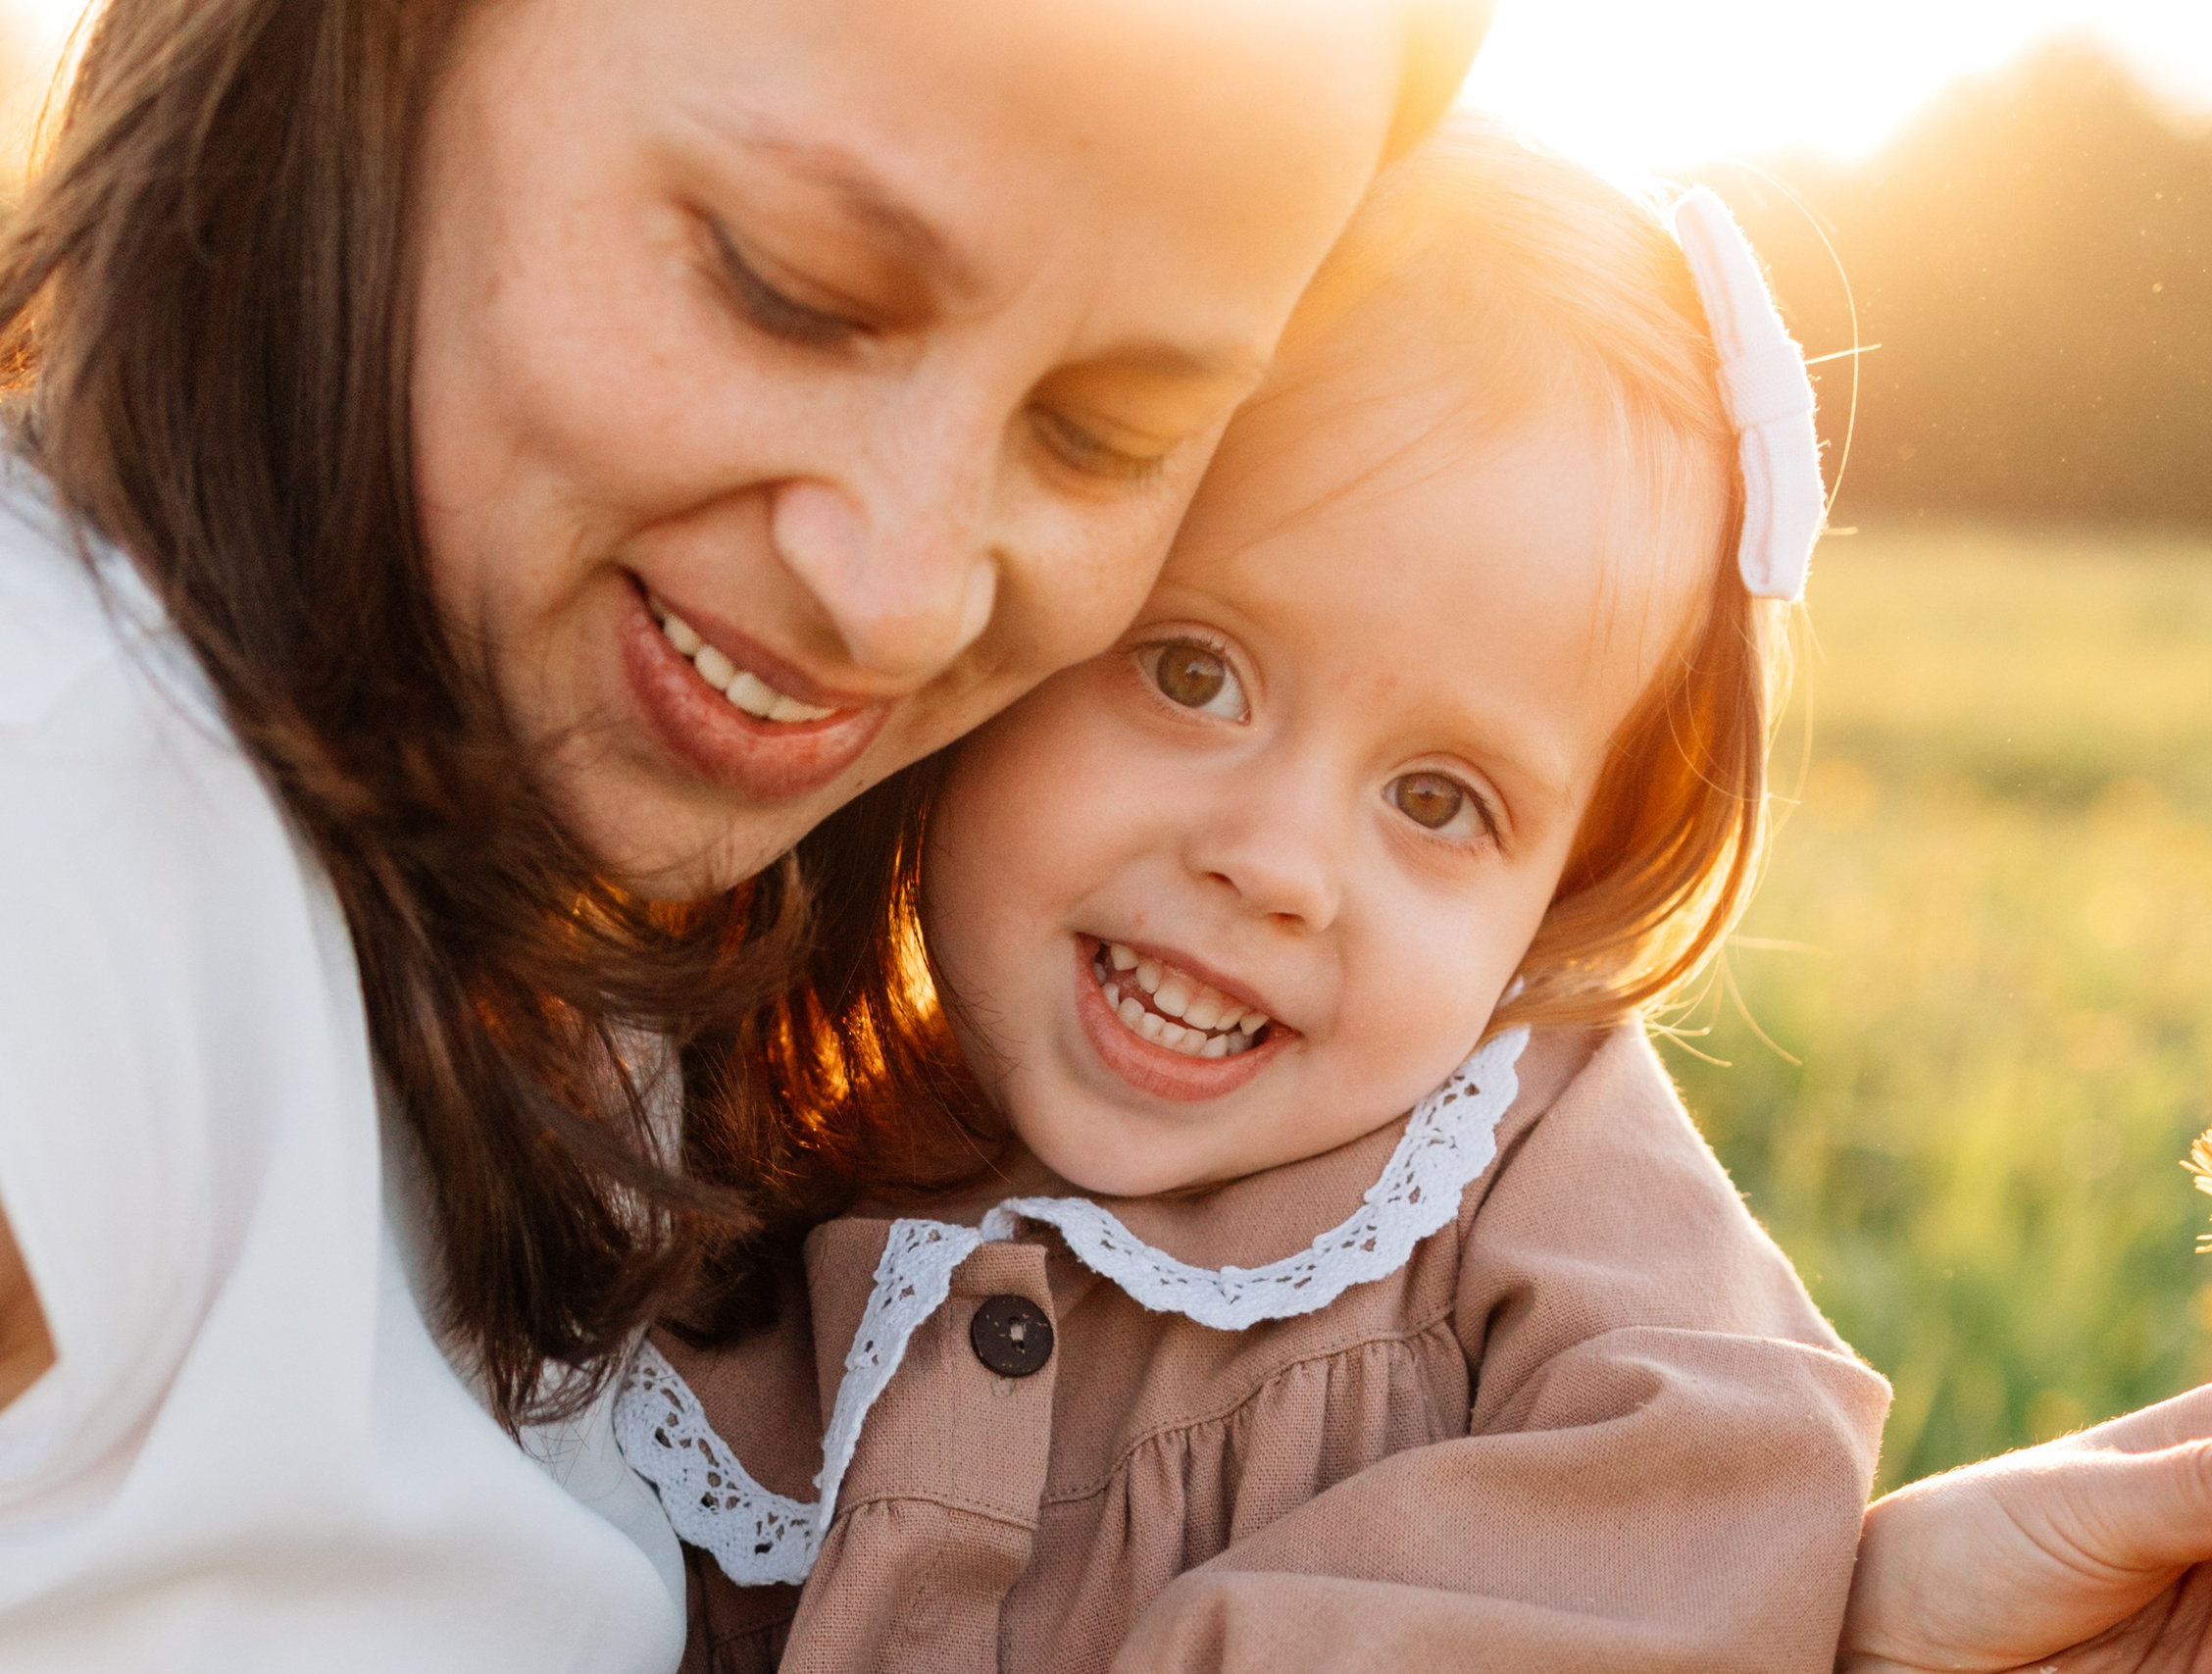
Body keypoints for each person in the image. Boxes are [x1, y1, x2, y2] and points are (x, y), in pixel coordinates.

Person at [0, 0, 1483, 1667]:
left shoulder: (639, 913)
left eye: (1103, 436)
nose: (903, 597)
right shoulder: (60, 859)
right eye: (790, 286)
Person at [628, 124, 1878, 1674]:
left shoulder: (1520, 1158)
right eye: (1194, 672)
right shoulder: (762, 1157)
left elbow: (1730, 1487)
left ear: (1569, 880)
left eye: (1439, 801)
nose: (1275, 865)